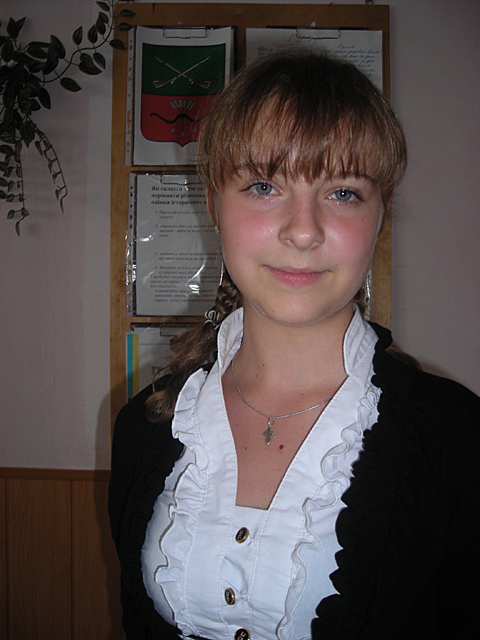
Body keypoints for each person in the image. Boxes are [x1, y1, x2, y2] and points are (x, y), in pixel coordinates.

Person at [109, 51, 480, 640]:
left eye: (343, 193)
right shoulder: (145, 426)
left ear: (381, 216)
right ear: (214, 204)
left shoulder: (457, 438)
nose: (303, 230)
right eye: (263, 186)